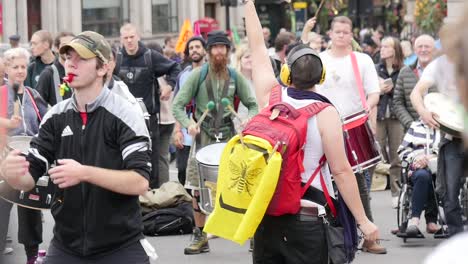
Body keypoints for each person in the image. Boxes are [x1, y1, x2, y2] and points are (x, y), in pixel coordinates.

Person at [244, 1, 379, 263]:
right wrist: (363, 221)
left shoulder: (270, 95)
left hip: (266, 217)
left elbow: (257, 45)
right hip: (308, 220)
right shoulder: (325, 112)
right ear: (321, 76)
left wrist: (249, 4)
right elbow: (341, 171)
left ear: (287, 72)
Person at [0, 31, 152, 263]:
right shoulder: (55, 116)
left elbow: (140, 182)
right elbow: (29, 178)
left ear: (102, 68)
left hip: (120, 245)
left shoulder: (125, 114)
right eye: (68, 57)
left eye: (81, 58)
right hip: (65, 246)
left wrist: (84, 173)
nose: (71, 63)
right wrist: (11, 173)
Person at [172, 30, 258, 255]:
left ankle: (252, 236)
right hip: (203, 140)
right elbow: (178, 105)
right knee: (198, 191)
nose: (219, 52)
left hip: (230, 139)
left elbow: (252, 104)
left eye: (223, 48)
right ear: (209, 51)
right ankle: (201, 236)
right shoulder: (197, 76)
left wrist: (248, 120)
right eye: (215, 48)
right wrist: (187, 123)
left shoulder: (235, 76)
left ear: (228, 51)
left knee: (242, 187)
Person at [315, 16, 384, 254]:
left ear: (351, 34)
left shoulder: (361, 60)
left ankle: (369, 235)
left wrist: (368, 108)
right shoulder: (320, 60)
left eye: (346, 32)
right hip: (324, 125)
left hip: (354, 124)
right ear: (330, 34)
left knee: (357, 182)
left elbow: (373, 92)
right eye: (338, 31)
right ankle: (331, 234)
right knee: (324, 180)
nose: (342, 35)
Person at [411, 25, 466, 237]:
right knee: (450, 195)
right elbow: (417, 92)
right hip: (453, 139)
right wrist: (424, 111)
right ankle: (457, 242)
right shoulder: (439, 65)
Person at [116, 23, 181, 189]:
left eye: (132, 37)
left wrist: (169, 86)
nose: (129, 41)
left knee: (152, 162)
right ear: (121, 39)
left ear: (138, 36)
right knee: (124, 158)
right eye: (126, 38)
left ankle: (154, 201)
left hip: (148, 119)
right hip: (123, 118)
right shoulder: (117, 59)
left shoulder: (150, 56)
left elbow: (175, 67)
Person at [0, 47, 48, 264]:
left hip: (30, 155)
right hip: (5, 155)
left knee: (30, 206)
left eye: (22, 66)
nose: (20, 71)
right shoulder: (1, 94)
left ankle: (32, 255)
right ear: (6, 68)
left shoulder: (33, 94)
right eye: (15, 66)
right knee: (2, 205)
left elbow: (47, 122)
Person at [375, 36, 405, 208]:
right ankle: (369, 189)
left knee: (396, 154)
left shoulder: (402, 70)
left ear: (395, 50)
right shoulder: (375, 68)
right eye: (382, 46)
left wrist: (393, 89)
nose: (383, 49)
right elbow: (369, 91)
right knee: (375, 153)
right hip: (378, 116)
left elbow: (405, 95)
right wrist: (378, 90)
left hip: (395, 117)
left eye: (387, 46)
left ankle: (396, 192)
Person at [173, 36, 207, 187]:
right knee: (182, 172)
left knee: (204, 175)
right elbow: (178, 105)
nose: (194, 50)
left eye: (198, 47)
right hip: (186, 133)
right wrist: (177, 131)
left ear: (205, 50)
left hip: (206, 133)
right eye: (191, 48)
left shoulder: (213, 72)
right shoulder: (183, 75)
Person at [397, 120, 441, 236]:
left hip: (437, 167)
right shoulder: (415, 126)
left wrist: (429, 158)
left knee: (435, 177)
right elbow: (402, 150)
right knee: (423, 176)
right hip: (417, 168)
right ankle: (414, 221)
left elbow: (446, 150)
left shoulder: (443, 128)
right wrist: (416, 158)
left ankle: (431, 221)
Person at [393, 35, 437, 131]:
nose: (423, 49)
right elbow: (397, 102)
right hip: (413, 131)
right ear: (415, 50)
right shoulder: (405, 72)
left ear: (434, 50)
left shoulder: (442, 72)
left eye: (427, 46)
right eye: (420, 47)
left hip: (439, 130)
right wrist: (410, 124)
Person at [35, 32, 75, 106]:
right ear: (56, 48)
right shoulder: (48, 74)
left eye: (72, 45)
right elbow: (38, 106)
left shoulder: (79, 72)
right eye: (65, 45)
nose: (68, 49)